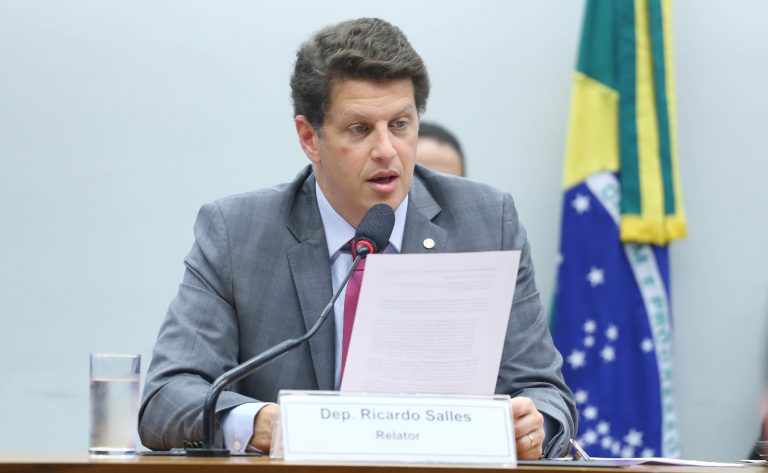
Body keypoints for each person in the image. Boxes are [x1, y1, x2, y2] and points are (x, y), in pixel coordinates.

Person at [139, 17, 576, 459]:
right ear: (309, 138)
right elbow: (166, 396)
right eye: (360, 129)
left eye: (400, 124)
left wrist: (533, 425)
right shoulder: (239, 234)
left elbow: (546, 393)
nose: (386, 150)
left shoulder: (486, 223)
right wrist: (262, 424)